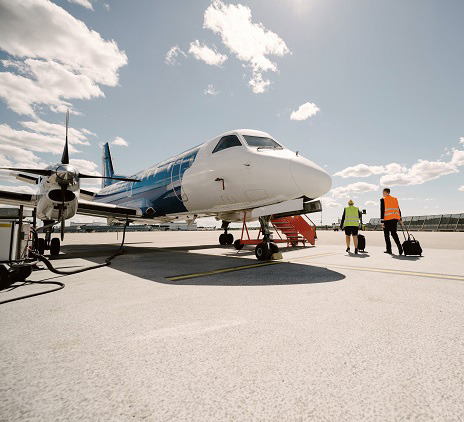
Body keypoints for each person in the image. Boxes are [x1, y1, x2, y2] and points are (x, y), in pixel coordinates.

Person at [381, 188, 403, 255]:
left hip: (387, 220)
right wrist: (400, 220)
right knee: (394, 234)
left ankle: (389, 249)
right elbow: (398, 210)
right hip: (394, 219)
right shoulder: (395, 199)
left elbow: (382, 210)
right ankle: (399, 247)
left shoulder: (383, 199)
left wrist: (382, 221)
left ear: (385, 192)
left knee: (387, 235)